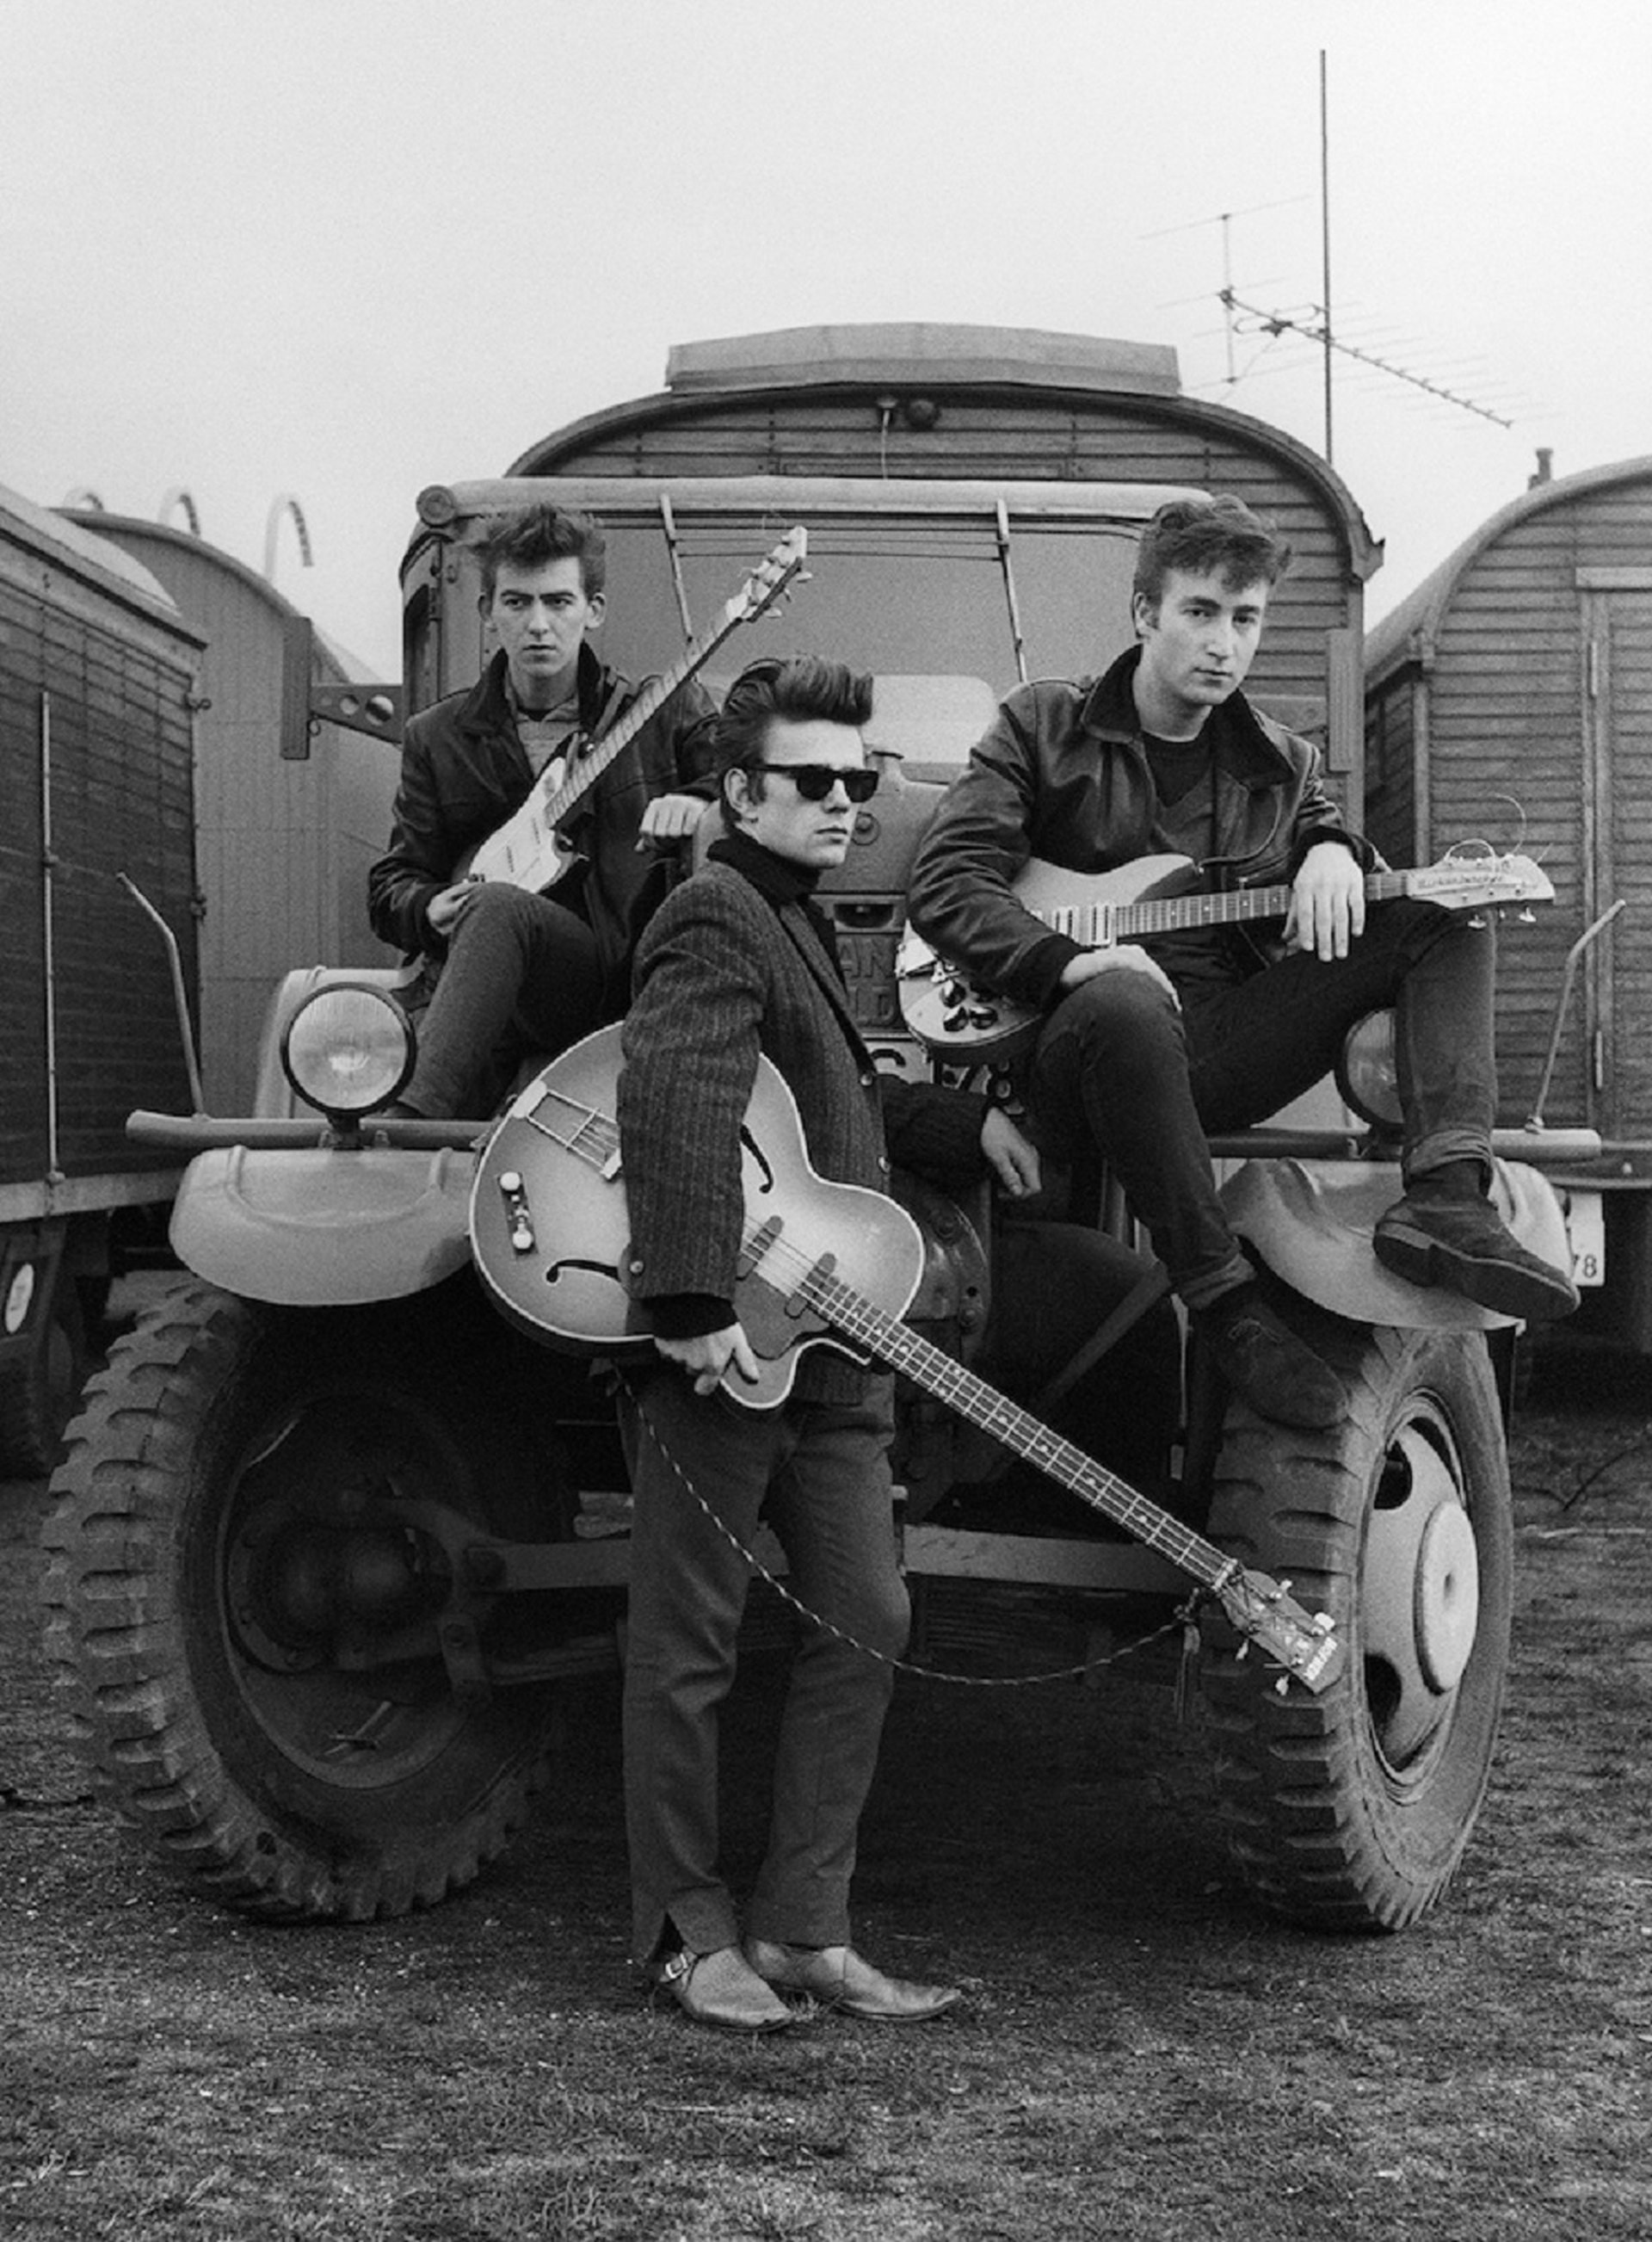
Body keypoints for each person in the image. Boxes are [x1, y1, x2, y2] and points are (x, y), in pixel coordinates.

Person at [905, 495, 1577, 1430]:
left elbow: (1338, 856)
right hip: (1064, 1056)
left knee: (1444, 913)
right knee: (1126, 1001)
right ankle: (1226, 1306)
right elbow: (945, 882)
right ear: (1146, 614)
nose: (1225, 642)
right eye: (1201, 612)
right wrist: (1065, 963)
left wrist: (1339, 848)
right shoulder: (1044, 727)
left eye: (1247, 617)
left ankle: (1447, 1201)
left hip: (1213, 1046)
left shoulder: (1283, 767)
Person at [615, 656, 1041, 2032]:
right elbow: (674, 1092)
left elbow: (817, 1107)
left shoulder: (797, 917)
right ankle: (685, 1934)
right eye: (814, 779)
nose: (847, 801)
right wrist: (688, 1313)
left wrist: (952, 1125)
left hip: (833, 1342)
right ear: (739, 791)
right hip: (733, 1339)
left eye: (862, 779)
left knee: (869, 1613)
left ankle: (805, 1927)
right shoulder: (715, 910)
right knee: (687, 1645)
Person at [367, 503, 716, 1118]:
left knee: (500, 907)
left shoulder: (666, 712)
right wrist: (428, 907)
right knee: (494, 908)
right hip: (486, 1005)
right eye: (517, 602)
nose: (538, 625)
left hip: (614, 983)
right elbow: (391, 884)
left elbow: (746, 778)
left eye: (558, 602)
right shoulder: (435, 736)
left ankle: (408, 1117)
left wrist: (699, 804)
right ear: (488, 612)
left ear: (593, 610)